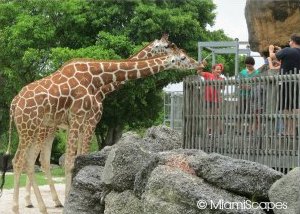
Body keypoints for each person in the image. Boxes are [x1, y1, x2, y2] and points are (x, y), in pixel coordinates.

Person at [269, 33, 300, 135]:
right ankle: (294, 130)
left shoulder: (287, 50)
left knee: (285, 106)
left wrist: (271, 49)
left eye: (290, 41)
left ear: (292, 41)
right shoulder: (291, 51)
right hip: (297, 81)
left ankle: (288, 130)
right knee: (295, 105)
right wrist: (281, 50)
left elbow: (273, 57)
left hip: (285, 82)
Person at [197, 63, 225, 135]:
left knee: (217, 114)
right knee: (209, 114)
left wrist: (219, 84)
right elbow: (199, 72)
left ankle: (220, 129)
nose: (219, 70)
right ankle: (209, 129)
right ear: (213, 70)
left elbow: (223, 88)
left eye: (220, 69)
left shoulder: (222, 79)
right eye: (217, 69)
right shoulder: (208, 75)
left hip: (216, 99)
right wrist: (201, 66)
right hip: (207, 98)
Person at [238, 56, 260, 134]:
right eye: (247, 66)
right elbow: (239, 84)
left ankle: (250, 130)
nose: (248, 67)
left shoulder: (257, 73)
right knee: (240, 113)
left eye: (249, 66)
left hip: (252, 97)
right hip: (242, 95)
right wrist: (245, 87)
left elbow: (258, 85)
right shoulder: (242, 72)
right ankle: (239, 129)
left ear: (253, 65)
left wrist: (250, 87)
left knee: (250, 114)